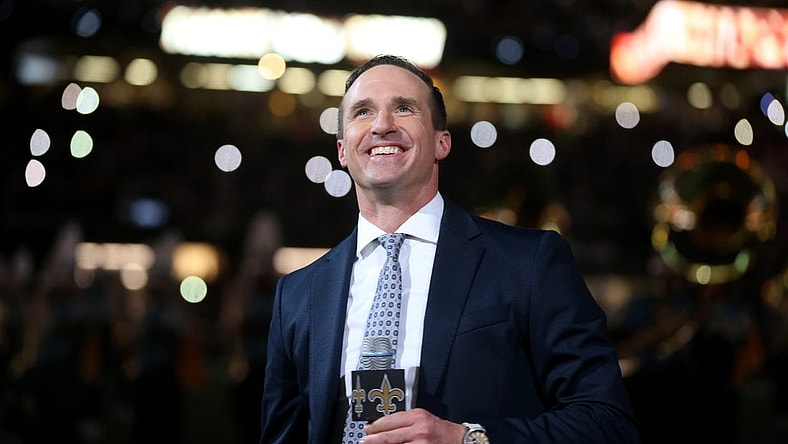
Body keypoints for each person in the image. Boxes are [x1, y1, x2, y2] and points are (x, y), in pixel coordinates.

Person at [259, 54, 640, 443]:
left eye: (404, 109)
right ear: (342, 150)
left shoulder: (529, 262)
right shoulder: (298, 294)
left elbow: (606, 422)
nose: (382, 125)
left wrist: (466, 438)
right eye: (362, 112)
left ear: (442, 142)